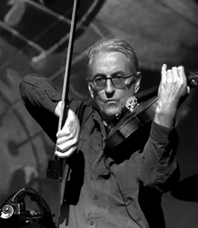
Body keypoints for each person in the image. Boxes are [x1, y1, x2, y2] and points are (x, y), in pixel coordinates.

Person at [19, 38, 189, 227]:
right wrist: (66, 114)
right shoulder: (81, 120)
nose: (109, 89)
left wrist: (165, 113)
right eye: (100, 80)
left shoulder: (154, 133)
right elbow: (28, 85)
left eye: (118, 78)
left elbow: (155, 181)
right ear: (91, 88)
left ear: (137, 82)